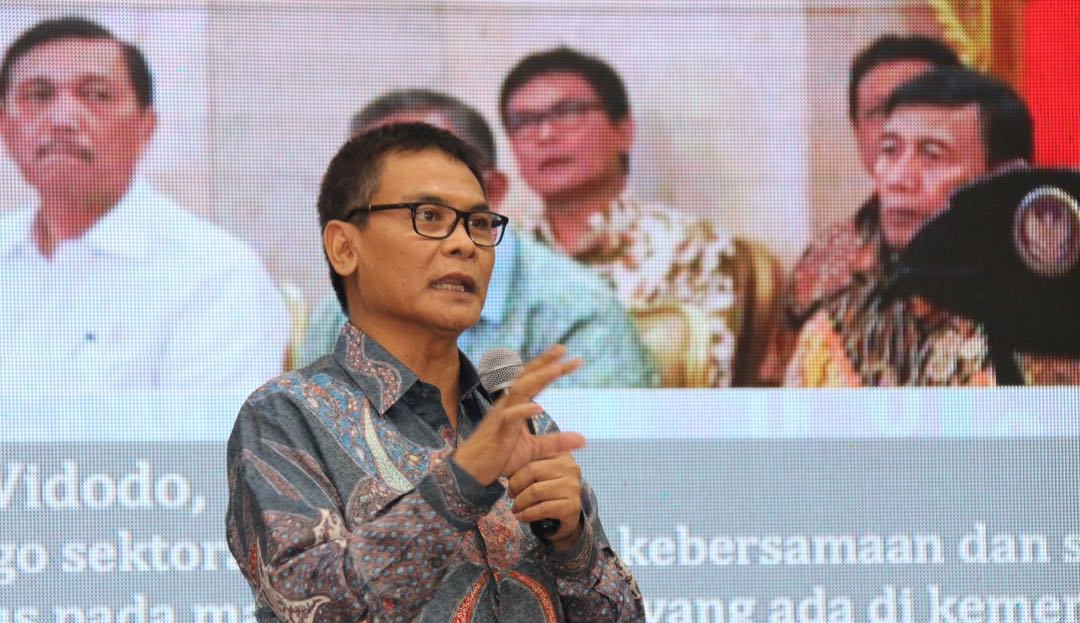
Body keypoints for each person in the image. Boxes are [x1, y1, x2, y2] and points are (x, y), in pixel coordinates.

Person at [226, 122, 644, 623]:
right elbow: (328, 611)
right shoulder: (287, 419)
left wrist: (574, 543)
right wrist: (463, 482)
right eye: (429, 217)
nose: (463, 245)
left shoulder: (521, 424)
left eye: (479, 224)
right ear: (344, 246)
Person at [0, 16, 288, 392]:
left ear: (145, 127)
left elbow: (212, 445)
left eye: (95, 95)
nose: (62, 118)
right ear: (4, 128)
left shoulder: (214, 273)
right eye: (38, 95)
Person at [294, 89, 653, 387]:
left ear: (491, 192)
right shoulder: (340, 311)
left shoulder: (578, 313)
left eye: (427, 212)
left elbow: (591, 450)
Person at [499, 46, 781, 387]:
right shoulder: (501, 257)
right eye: (524, 122)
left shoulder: (694, 249)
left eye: (568, 112)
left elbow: (707, 390)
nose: (545, 134)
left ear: (623, 131)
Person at [784, 66, 1069, 386]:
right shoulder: (835, 335)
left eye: (932, 155)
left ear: (1004, 181)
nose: (898, 179)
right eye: (890, 150)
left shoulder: (1055, 331)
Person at [761, 35, 960, 382]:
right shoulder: (823, 264)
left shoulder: (1008, 246)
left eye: (920, 103)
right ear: (857, 131)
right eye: (879, 112)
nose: (899, 124)